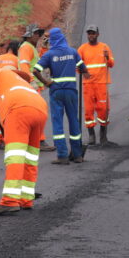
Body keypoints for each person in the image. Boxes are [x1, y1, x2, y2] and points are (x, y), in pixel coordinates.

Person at [0, 65, 48, 215]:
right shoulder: (23, 83)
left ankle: (10, 201)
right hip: (40, 108)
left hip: (18, 110)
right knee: (30, 157)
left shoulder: (1, 73)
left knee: (15, 156)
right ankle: (26, 199)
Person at [33, 28, 89, 165]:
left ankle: (62, 156)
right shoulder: (72, 52)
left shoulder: (49, 54)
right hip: (71, 91)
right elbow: (83, 69)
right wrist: (84, 72)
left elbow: (35, 70)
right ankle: (77, 155)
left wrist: (46, 82)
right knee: (73, 121)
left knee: (57, 123)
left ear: (53, 39)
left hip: (56, 91)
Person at [18, 24, 55, 152]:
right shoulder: (26, 47)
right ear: (28, 35)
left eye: (39, 33)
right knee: (39, 114)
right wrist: (32, 82)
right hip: (31, 87)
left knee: (35, 114)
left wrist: (44, 49)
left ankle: (33, 141)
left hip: (33, 87)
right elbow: (24, 66)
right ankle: (39, 140)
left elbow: (38, 62)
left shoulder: (30, 47)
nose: (38, 36)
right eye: (36, 33)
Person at [78, 25, 115, 146]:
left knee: (103, 109)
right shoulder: (82, 49)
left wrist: (107, 57)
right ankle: (91, 135)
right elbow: (77, 65)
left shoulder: (104, 47)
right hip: (88, 84)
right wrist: (84, 72)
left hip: (101, 83)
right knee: (88, 110)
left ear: (97, 34)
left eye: (93, 33)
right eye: (89, 33)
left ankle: (103, 135)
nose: (91, 35)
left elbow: (111, 63)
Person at [0, 40, 19, 149]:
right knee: (10, 115)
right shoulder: (17, 60)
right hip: (11, 91)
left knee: (0, 113)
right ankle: (10, 139)